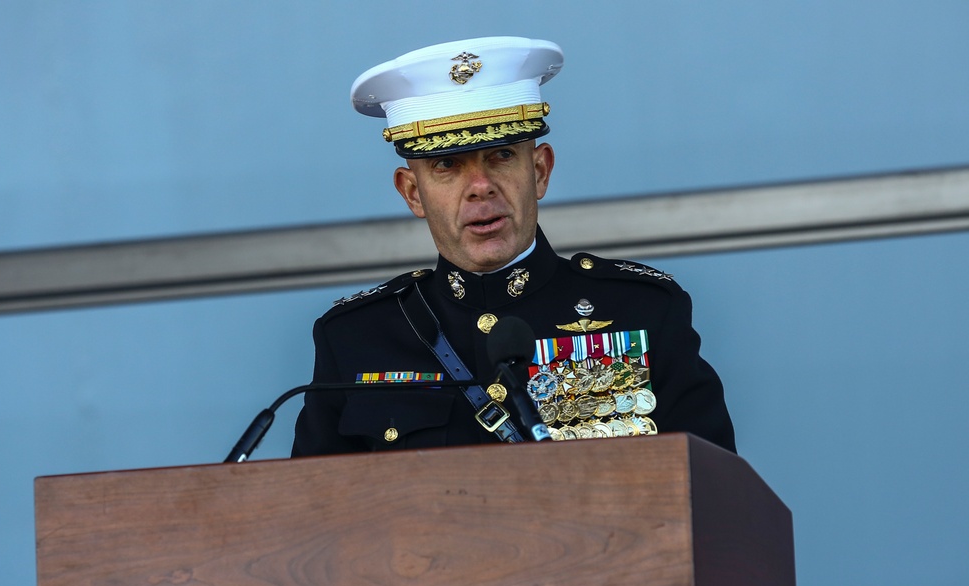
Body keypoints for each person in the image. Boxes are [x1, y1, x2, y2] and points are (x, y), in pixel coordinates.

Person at [292, 36, 735, 456]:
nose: (481, 187)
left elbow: (716, 497)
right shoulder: (355, 338)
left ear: (540, 171)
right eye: (447, 165)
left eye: (502, 156)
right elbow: (315, 518)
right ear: (412, 193)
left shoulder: (644, 310)